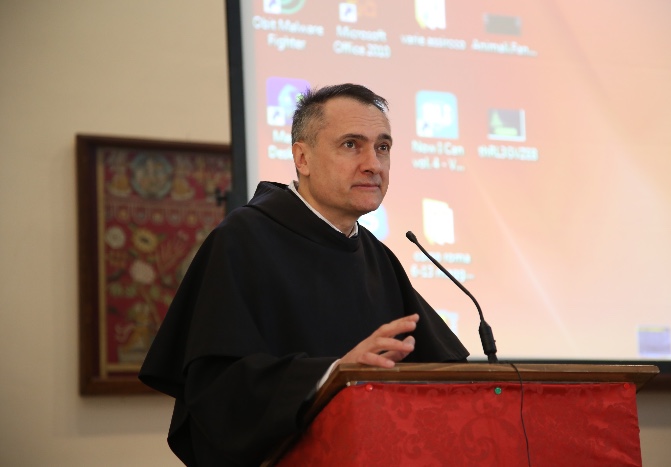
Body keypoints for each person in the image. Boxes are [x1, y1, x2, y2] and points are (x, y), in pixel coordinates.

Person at [139, 83, 469, 466]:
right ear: (302, 158)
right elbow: (218, 386)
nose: (373, 164)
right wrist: (333, 374)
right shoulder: (242, 240)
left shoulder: (378, 257)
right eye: (351, 145)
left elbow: (441, 369)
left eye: (383, 147)